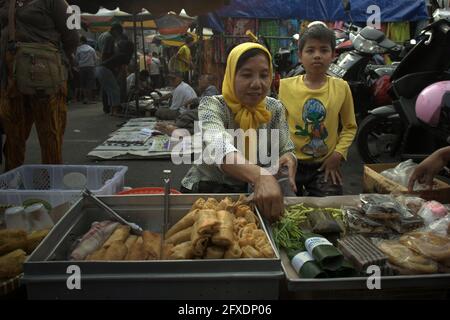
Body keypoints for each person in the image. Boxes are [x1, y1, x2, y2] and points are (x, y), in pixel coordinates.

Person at [180, 42, 297, 221]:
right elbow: (218, 147)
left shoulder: (274, 108)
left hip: (250, 193)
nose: (257, 84)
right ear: (231, 75)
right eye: (246, 75)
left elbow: (286, 148)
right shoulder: (213, 105)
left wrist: (289, 159)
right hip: (207, 191)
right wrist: (260, 175)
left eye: (264, 75)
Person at [278, 25, 357, 196]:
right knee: (283, 209)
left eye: (324, 50)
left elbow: (350, 126)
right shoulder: (285, 87)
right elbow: (279, 127)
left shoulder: (341, 88)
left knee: (329, 212)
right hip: (292, 162)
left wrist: (338, 154)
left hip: (325, 165)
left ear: (333, 55)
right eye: (310, 50)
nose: (317, 55)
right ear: (300, 55)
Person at [0, 0, 79, 171]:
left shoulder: (55, 2)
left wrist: (57, 60)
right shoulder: (7, 2)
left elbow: (72, 37)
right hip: (12, 78)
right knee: (13, 135)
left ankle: (52, 184)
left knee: (50, 135)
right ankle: (11, 184)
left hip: (46, 77)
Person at [155, 73, 219, 135]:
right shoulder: (182, 86)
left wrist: (193, 100)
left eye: (201, 79)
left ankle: (175, 126)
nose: (199, 81)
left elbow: (207, 101)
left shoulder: (211, 89)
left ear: (208, 81)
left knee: (187, 115)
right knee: (193, 122)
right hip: (204, 114)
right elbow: (170, 95)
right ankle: (178, 128)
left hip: (208, 113)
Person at [96, 23, 133, 115]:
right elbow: (105, 53)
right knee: (115, 89)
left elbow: (98, 51)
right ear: (115, 31)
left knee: (109, 90)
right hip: (105, 67)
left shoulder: (102, 35)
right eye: (119, 33)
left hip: (100, 67)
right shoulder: (110, 38)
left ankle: (111, 109)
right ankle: (115, 109)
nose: (119, 37)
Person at [75, 36, 97, 104]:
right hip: (90, 67)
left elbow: (76, 59)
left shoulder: (78, 49)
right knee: (90, 83)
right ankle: (90, 99)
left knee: (83, 83)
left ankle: (85, 98)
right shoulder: (91, 49)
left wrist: (78, 64)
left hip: (82, 67)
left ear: (81, 41)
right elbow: (95, 59)